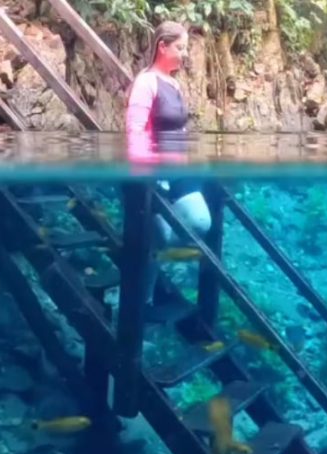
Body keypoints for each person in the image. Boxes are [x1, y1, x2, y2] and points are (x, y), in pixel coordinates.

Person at [125, 21, 212, 322]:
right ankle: (143, 297)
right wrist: (147, 173)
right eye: (180, 47)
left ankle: (154, 245)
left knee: (200, 222)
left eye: (185, 48)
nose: (185, 54)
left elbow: (180, 128)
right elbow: (135, 131)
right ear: (162, 46)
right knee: (188, 224)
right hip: (157, 172)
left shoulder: (174, 84)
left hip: (178, 167)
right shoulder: (146, 82)